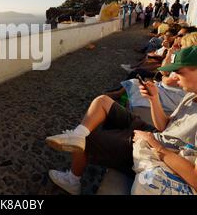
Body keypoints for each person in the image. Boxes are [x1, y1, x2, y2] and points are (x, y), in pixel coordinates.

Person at [45, 46, 197, 195]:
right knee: (103, 101)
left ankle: (72, 181)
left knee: (89, 139)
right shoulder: (191, 96)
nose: (174, 76)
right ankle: (77, 135)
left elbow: (195, 178)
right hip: (159, 138)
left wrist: (156, 145)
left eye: (178, 72)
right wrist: (154, 99)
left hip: (161, 153)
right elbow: (166, 126)